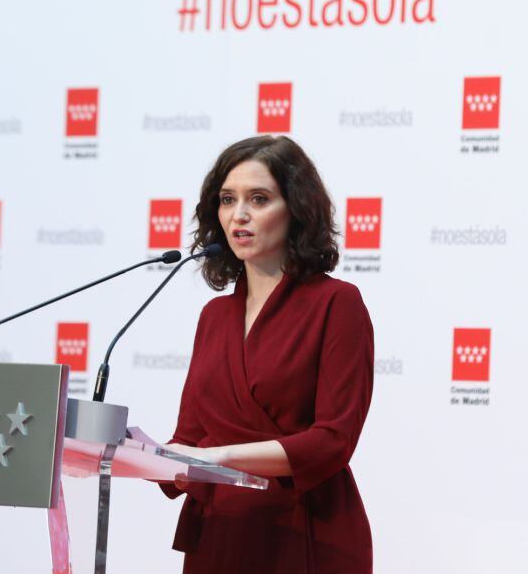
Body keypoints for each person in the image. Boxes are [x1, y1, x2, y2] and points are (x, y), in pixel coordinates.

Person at [160, 135, 375, 573]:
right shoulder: (214, 316)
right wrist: (142, 456)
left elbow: (332, 441)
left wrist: (219, 457)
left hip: (305, 532)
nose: (238, 215)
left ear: (296, 209)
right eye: (227, 199)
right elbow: (190, 436)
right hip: (220, 533)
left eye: (258, 199)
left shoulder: (337, 303)